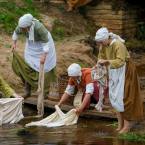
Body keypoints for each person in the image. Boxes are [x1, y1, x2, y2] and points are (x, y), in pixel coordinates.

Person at [95, 27, 143, 133]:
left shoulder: (118, 44)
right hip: (114, 71)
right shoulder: (103, 45)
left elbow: (120, 61)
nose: (100, 44)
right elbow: (101, 57)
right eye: (99, 42)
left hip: (126, 71)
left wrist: (106, 61)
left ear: (106, 38)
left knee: (125, 96)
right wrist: (98, 64)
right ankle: (120, 124)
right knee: (115, 96)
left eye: (101, 42)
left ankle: (127, 124)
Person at [11, 13, 56, 98]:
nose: (22, 29)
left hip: (44, 44)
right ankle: (27, 91)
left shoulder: (39, 28)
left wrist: (44, 55)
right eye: (21, 28)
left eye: (23, 28)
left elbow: (45, 41)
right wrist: (14, 43)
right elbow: (16, 32)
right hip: (32, 45)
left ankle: (44, 92)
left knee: (45, 67)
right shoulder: (21, 26)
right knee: (28, 65)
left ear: (28, 26)